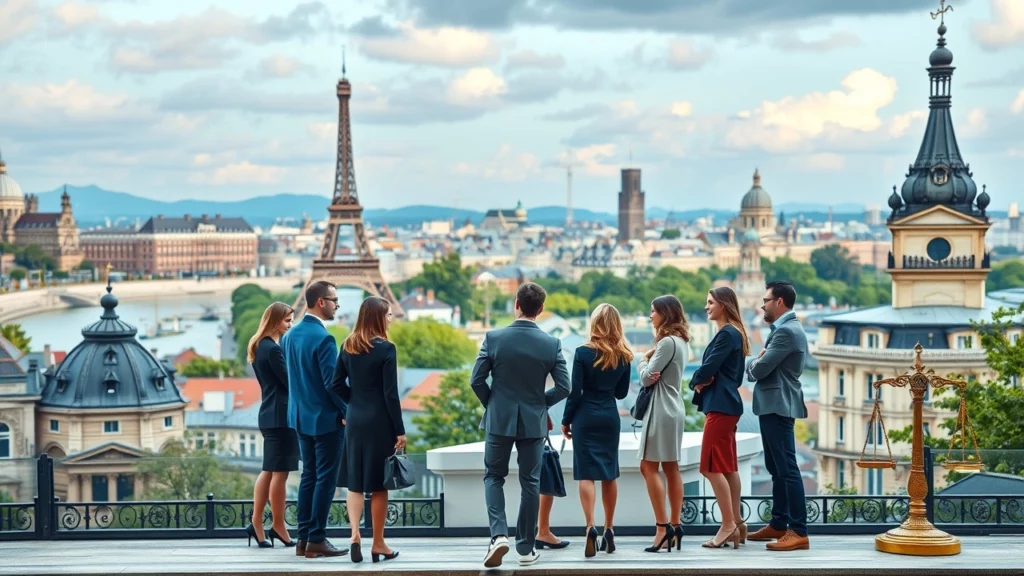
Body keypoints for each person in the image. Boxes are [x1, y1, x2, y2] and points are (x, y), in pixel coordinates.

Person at [471, 282, 571, 568]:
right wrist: (540, 404)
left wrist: (493, 404)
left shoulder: (494, 338)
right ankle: (526, 549)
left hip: (499, 419)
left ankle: (498, 536)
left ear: (516, 303)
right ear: (540, 309)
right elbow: (564, 387)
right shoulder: (551, 344)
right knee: (531, 482)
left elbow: (476, 380)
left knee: (493, 476)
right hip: (533, 422)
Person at [331, 296, 405, 564]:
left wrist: (353, 402)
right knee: (378, 485)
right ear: (377, 317)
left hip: (355, 418)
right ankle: (378, 543)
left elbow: (335, 384)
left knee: (355, 482)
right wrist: (400, 430)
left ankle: (354, 535)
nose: (391, 318)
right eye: (388, 315)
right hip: (379, 421)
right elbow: (390, 394)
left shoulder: (348, 345)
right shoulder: (386, 349)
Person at [281, 280, 347, 558]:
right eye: (334, 301)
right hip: (325, 419)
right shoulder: (324, 338)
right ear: (321, 302)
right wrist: (346, 412)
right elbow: (333, 384)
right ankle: (317, 538)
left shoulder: (289, 336)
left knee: (308, 477)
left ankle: (303, 539)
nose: (337, 306)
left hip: (299, 417)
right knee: (325, 479)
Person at [560, 303, 632, 558]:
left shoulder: (582, 353)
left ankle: (590, 526)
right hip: (609, 417)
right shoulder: (624, 355)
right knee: (609, 473)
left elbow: (575, 392)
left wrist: (566, 420)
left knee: (586, 474)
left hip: (585, 417)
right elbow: (621, 393)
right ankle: (609, 529)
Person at [745, 281, 810, 552]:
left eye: (766, 300)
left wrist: (753, 362)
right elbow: (762, 366)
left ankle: (798, 531)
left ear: (779, 302)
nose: (762, 305)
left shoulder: (786, 332)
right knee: (776, 468)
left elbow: (758, 371)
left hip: (779, 405)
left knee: (787, 469)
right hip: (774, 404)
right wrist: (759, 360)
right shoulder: (786, 330)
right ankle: (779, 523)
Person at [689, 287, 748, 550]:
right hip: (727, 405)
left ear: (723, 305)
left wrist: (696, 382)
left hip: (721, 406)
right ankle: (738, 523)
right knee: (727, 467)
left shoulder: (727, 334)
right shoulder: (735, 333)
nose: (706, 306)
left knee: (709, 467)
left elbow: (707, 369)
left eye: (711, 302)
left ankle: (727, 525)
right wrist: (703, 379)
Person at [637, 295, 688, 553]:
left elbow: (647, 378)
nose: (650, 316)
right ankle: (675, 526)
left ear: (664, 314)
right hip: (674, 407)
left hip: (661, 408)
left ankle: (662, 527)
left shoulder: (666, 342)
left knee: (647, 466)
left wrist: (642, 360)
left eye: (653, 311)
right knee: (671, 467)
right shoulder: (681, 341)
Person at [246, 301, 299, 549]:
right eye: (287, 320)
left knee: (269, 470)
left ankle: (257, 523)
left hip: (270, 413)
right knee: (280, 473)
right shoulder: (273, 350)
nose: (290, 325)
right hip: (281, 416)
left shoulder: (260, 346)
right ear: (275, 321)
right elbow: (290, 383)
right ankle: (278, 525)